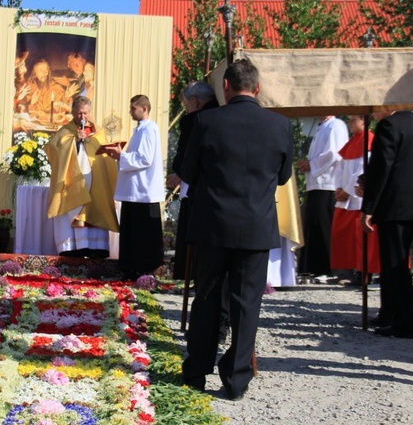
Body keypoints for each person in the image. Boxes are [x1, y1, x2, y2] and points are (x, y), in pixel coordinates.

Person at [179, 59, 293, 400]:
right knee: (247, 304)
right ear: (257, 89)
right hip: (256, 226)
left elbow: (187, 171)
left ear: (225, 87)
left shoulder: (204, 121)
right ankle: (237, 378)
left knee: (208, 299)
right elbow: (284, 176)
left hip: (213, 223)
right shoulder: (280, 125)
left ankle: (198, 369)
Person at [360, 111, 413, 338]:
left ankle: (405, 321)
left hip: (395, 203)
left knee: (395, 265)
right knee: (394, 263)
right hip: (412, 201)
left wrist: (368, 207)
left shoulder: (389, 125)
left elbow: (382, 167)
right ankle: (390, 313)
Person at [99, 95, 165, 278]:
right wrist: (120, 156)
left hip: (143, 191)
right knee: (131, 232)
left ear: (144, 108)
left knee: (142, 233)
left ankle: (143, 268)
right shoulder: (139, 131)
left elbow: (144, 158)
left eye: (133, 108)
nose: (130, 112)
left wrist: (122, 156)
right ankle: (129, 267)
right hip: (133, 190)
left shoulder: (149, 130)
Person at [44, 96, 119, 257]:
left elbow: (105, 158)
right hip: (73, 184)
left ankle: (96, 247)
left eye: (85, 114)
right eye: (78, 114)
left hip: (95, 183)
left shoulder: (98, 132)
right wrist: (74, 142)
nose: (82, 117)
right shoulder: (65, 132)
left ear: (89, 112)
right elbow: (54, 152)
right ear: (72, 112)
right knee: (75, 211)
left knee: (96, 209)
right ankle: (75, 248)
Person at [166, 81, 219, 279]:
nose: (186, 110)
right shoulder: (223, 113)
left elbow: (185, 157)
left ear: (195, 101)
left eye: (186, 105)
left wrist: (179, 171)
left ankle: (191, 273)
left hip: (196, 186)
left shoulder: (194, 120)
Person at [297, 115, 348, 281]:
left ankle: (328, 268)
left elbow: (334, 153)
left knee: (324, 226)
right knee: (313, 225)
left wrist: (311, 164)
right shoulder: (322, 127)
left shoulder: (336, 125)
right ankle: (313, 266)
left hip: (328, 183)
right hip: (315, 183)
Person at [330, 115, 379, 285]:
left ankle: (363, 273)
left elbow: (362, 169)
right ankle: (347, 270)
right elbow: (340, 168)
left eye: (353, 119)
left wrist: (348, 191)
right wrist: (338, 188)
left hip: (358, 197)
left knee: (362, 239)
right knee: (344, 235)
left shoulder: (370, 141)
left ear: (364, 120)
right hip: (346, 197)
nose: (350, 123)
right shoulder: (352, 142)